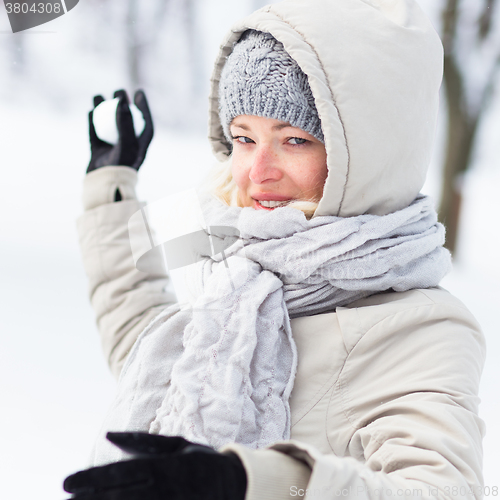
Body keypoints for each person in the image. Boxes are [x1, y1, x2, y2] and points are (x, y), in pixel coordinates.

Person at [64, 1, 486, 499]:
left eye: (295, 140)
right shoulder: (232, 245)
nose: (257, 171)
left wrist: (251, 483)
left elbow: (442, 490)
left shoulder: (420, 326)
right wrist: (110, 185)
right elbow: (146, 340)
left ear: (367, 155)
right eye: (244, 138)